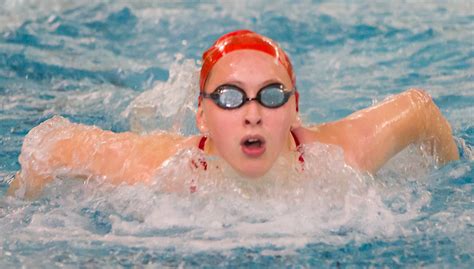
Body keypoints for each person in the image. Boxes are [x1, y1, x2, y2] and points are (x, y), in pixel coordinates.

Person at [8, 30, 459, 198]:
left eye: (271, 95)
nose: (252, 113)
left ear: (295, 109)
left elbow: (419, 109)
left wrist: (454, 180)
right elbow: (49, 144)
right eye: (228, 97)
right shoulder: (158, 168)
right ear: (202, 116)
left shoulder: (341, 153)